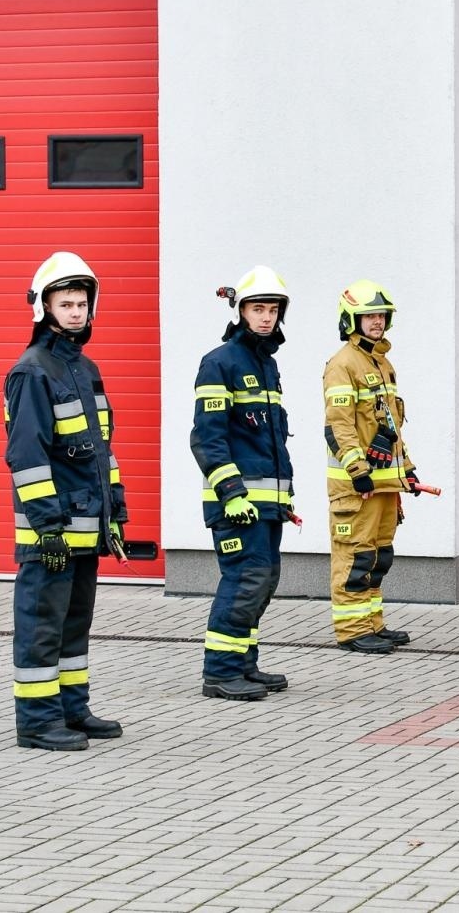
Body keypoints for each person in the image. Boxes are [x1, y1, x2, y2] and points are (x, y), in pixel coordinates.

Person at [5, 252, 127, 751]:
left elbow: (101, 449)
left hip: (84, 525)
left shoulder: (85, 368)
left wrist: (114, 511)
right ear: (44, 308)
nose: (76, 312)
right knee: (41, 625)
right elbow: (27, 456)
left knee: (74, 625)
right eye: (66, 304)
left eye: (82, 303)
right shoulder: (32, 371)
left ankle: (72, 710)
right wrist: (47, 527)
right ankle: (36, 722)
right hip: (50, 531)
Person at [190, 266, 299, 701]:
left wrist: (283, 497)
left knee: (264, 579)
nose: (266, 317)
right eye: (258, 309)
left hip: (265, 505)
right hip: (236, 503)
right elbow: (207, 436)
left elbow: (268, 442)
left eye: (273, 310)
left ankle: (243, 663)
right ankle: (219, 671)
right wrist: (231, 493)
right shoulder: (219, 363)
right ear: (240, 312)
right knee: (243, 580)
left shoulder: (266, 365)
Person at [322, 280, 417, 654]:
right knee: (356, 556)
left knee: (378, 557)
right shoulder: (342, 364)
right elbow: (339, 424)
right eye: (368, 316)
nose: (376, 322)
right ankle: (351, 630)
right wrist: (357, 470)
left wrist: (406, 468)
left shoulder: (382, 363)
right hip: (356, 487)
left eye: (380, 315)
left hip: (384, 485)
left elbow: (391, 426)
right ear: (351, 320)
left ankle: (373, 624)